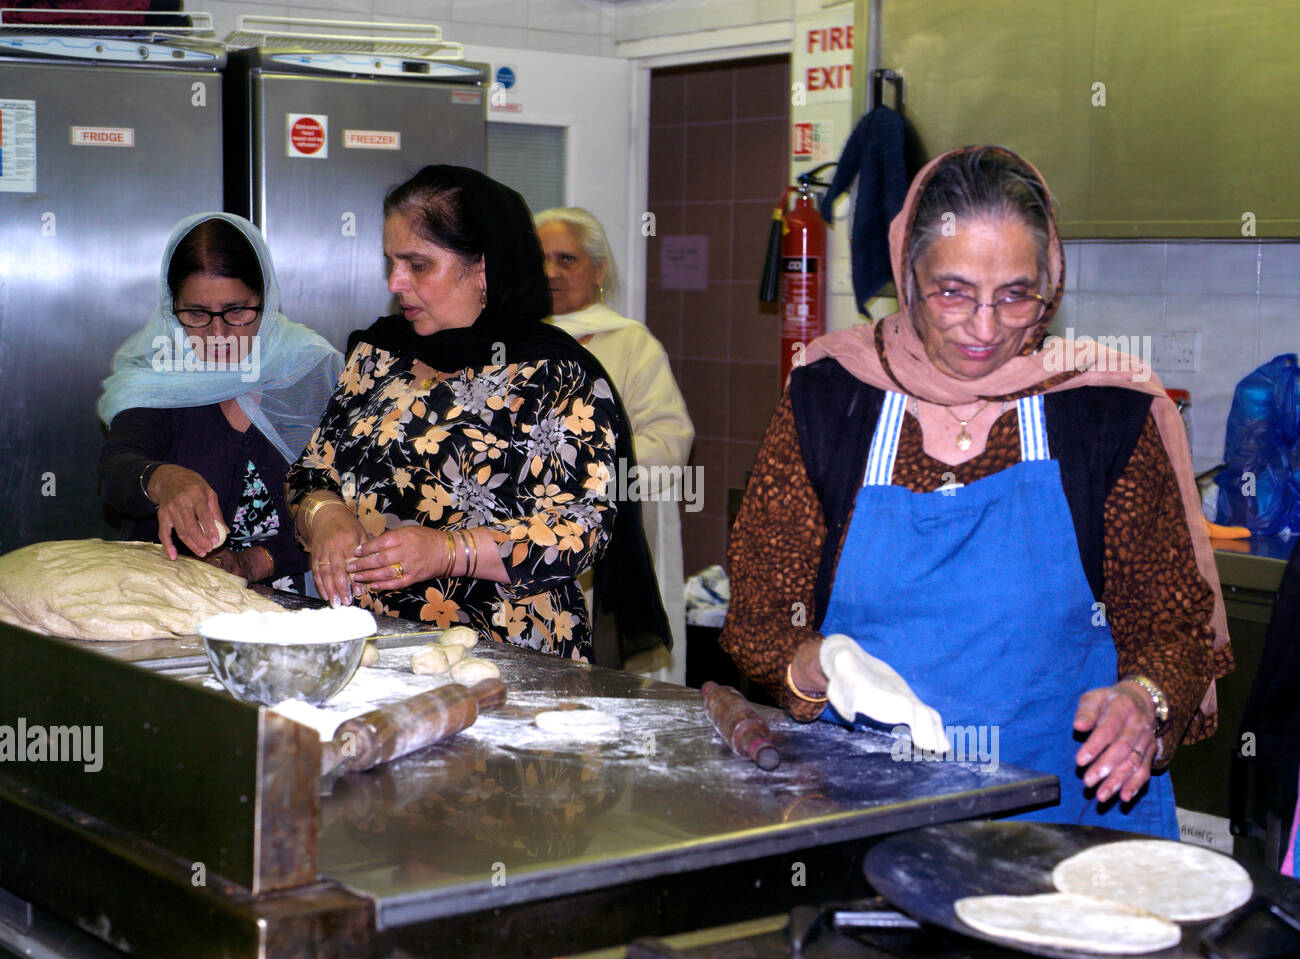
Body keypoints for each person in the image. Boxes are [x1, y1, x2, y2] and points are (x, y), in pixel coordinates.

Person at [721, 145, 1233, 838]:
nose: (986, 328)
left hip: (1068, 825)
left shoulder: (1099, 413)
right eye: (953, 291)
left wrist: (1143, 700)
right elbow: (756, 619)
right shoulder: (831, 398)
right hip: (866, 820)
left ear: (1049, 288)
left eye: (1016, 294)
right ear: (908, 274)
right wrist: (821, 665)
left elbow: (1174, 628)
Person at [286, 166, 669, 664]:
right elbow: (313, 468)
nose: (396, 282)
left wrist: (448, 551)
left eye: (418, 265)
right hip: (369, 643)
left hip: (505, 655)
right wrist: (325, 514)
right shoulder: (379, 353)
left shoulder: (556, 376)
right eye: (392, 263)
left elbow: (583, 529)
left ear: (484, 268)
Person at [97, 213, 342, 590]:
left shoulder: (308, 372)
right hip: (174, 602)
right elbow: (116, 472)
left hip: (302, 607)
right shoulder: (162, 374)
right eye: (196, 313)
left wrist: (256, 561)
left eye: (237, 311)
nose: (218, 333)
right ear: (171, 307)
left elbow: (350, 501)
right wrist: (161, 479)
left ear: (266, 299)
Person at [535, 207, 695, 684]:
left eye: (567, 259)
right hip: (530, 543)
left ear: (599, 271)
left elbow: (670, 441)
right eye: (539, 258)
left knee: (614, 687)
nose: (551, 272)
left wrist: (583, 475)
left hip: (611, 540)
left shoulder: (631, 344)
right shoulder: (510, 341)